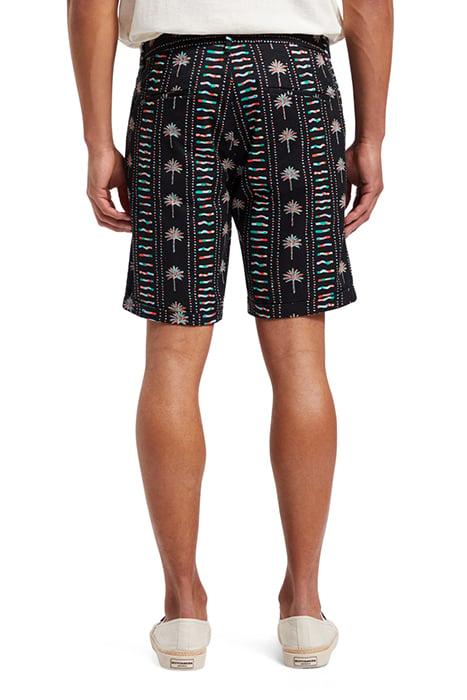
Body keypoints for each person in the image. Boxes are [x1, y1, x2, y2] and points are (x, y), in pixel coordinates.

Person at [68, 0, 393, 670]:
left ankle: (183, 609)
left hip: (178, 85)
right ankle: (303, 606)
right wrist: (371, 136)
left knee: (172, 354)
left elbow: (90, 4)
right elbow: (366, 4)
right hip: (294, 85)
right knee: (300, 356)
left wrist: (97, 140)